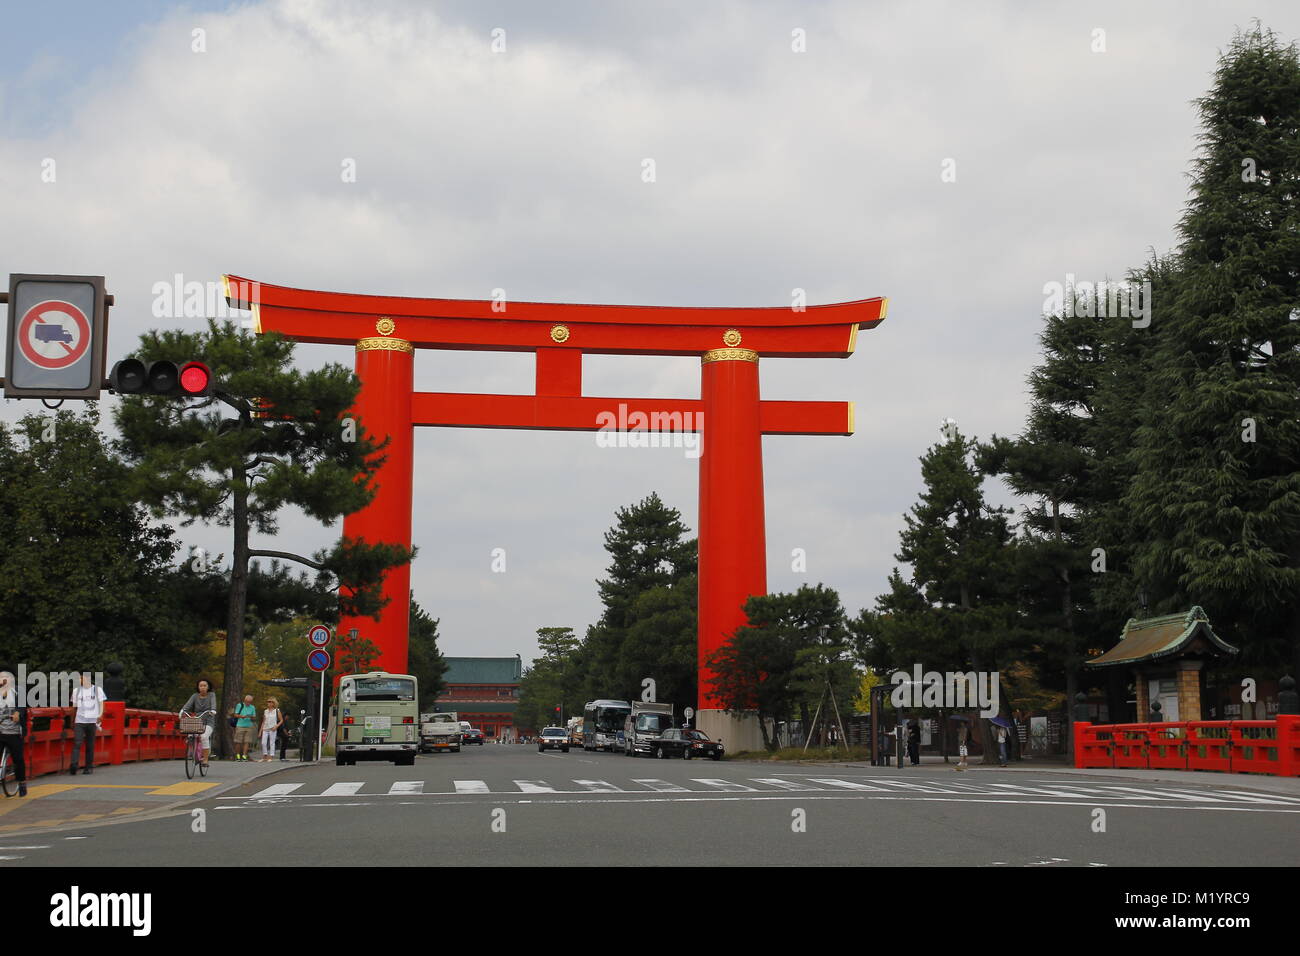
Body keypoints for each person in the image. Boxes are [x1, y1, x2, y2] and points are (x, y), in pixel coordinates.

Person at [69, 672, 106, 775]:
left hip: (92, 721)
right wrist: (72, 721)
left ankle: (88, 767)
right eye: (81, 679)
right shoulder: (76, 691)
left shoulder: (97, 690)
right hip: (79, 720)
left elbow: (102, 703)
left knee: (90, 744)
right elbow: (74, 707)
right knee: (77, 742)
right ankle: (74, 764)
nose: (82, 681)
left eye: (84, 679)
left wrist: (100, 715)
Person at [0, 672, 28, 797]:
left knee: (18, 759)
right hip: (0, 730)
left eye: (3, 677)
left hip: (14, 732)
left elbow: (22, 707)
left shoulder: (18, 691)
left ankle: (22, 783)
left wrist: (18, 713)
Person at [178, 678, 218, 767]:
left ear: (208, 687)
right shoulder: (194, 696)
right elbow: (187, 705)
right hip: (197, 720)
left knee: (204, 737)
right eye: (201, 686)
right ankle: (193, 752)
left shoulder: (211, 695)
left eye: (205, 686)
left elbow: (213, 704)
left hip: (209, 719)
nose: (202, 687)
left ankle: (206, 760)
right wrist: (182, 711)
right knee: (191, 735)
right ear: (198, 687)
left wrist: (213, 710)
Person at [233, 694, 257, 761]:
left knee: (247, 741)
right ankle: (237, 755)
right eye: (247, 702)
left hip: (249, 726)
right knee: (238, 741)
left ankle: (244, 756)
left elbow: (254, 717)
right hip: (240, 725)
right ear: (245, 700)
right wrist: (241, 716)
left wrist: (251, 717)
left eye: (250, 702)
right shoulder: (240, 705)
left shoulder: (252, 707)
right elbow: (235, 714)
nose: (248, 703)